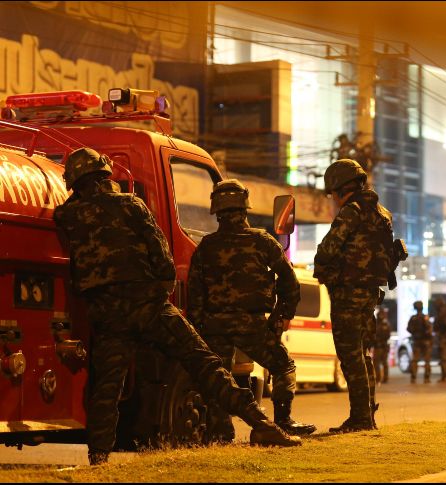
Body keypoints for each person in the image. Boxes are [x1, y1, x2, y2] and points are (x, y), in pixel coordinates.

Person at [53, 148, 299, 465]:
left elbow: (67, 211)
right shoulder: (130, 205)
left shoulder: (69, 215)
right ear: (105, 175)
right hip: (150, 306)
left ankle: (99, 455)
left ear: (76, 184)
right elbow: (162, 254)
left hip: (107, 312)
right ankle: (262, 425)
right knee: (204, 363)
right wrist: (161, 292)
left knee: (107, 387)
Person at [187, 179, 316, 440]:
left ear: (217, 211)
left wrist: (200, 328)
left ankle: (220, 433)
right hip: (253, 324)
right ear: (245, 208)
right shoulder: (262, 241)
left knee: (218, 378)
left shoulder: (206, 247)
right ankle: (283, 422)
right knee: (283, 366)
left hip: (214, 325)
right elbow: (289, 281)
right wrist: (282, 316)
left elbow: (195, 293)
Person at [314, 159, 399, 433]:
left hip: (348, 292)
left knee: (350, 355)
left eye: (333, 193)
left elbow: (328, 248)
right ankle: (367, 415)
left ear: (340, 187)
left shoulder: (352, 211)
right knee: (363, 354)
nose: (333, 200)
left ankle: (360, 418)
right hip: (370, 293)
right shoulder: (381, 212)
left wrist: (324, 266)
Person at [406, 301, 433, 383]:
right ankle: (426, 378)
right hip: (425, 341)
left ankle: (413, 377)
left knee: (415, 360)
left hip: (417, 341)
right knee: (427, 360)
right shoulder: (425, 317)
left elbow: (408, 328)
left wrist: (415, 333)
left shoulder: (413, 318)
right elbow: (430, 328)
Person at [373, 307, 392, 384]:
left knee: (377, 362)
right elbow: (388, 335)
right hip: (383, 345)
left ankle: (379, 378)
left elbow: (373, 335)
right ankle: (384, 378)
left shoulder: (376, 323)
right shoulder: (386, 323)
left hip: (379, 346)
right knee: (383, 362)